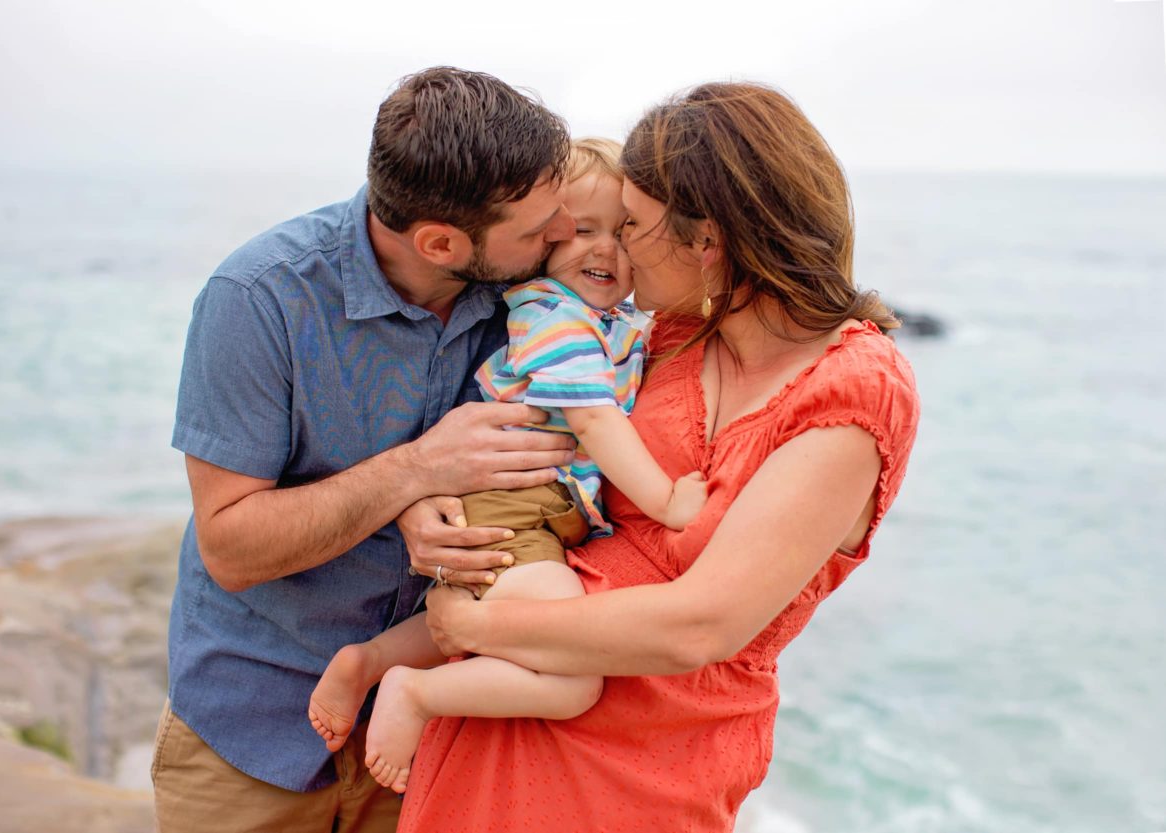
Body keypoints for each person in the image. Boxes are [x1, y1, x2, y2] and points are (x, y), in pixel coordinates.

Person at [393, 81, 922, 832]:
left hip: (642, 768)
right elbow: (518, 426)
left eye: (633, 223)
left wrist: (470, 630)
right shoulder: (667, 336)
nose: (617, 248)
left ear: (705, 241)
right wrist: (430, 506)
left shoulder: (850, 391)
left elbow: (701, 626)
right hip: (501, 711)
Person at [150, 67, 581, 833]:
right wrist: (415, 470)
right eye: (536, 226)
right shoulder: (258, 298)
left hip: (438, 728)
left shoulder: (538, 297)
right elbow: (231, 545)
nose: (561, 236)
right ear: (442, 242)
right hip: (252, 729)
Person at [307, 138, 710, 794]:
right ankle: (415, 692)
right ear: (544, 243)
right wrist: (666, 503)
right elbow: (592, 419)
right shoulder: (555, 318)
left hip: (530, 509)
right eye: (581, 230)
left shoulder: (611, 320)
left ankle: (371, 659)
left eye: (623, 232)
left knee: (470, 609)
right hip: (515, 502)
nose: (604, 249)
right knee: (574, 677)